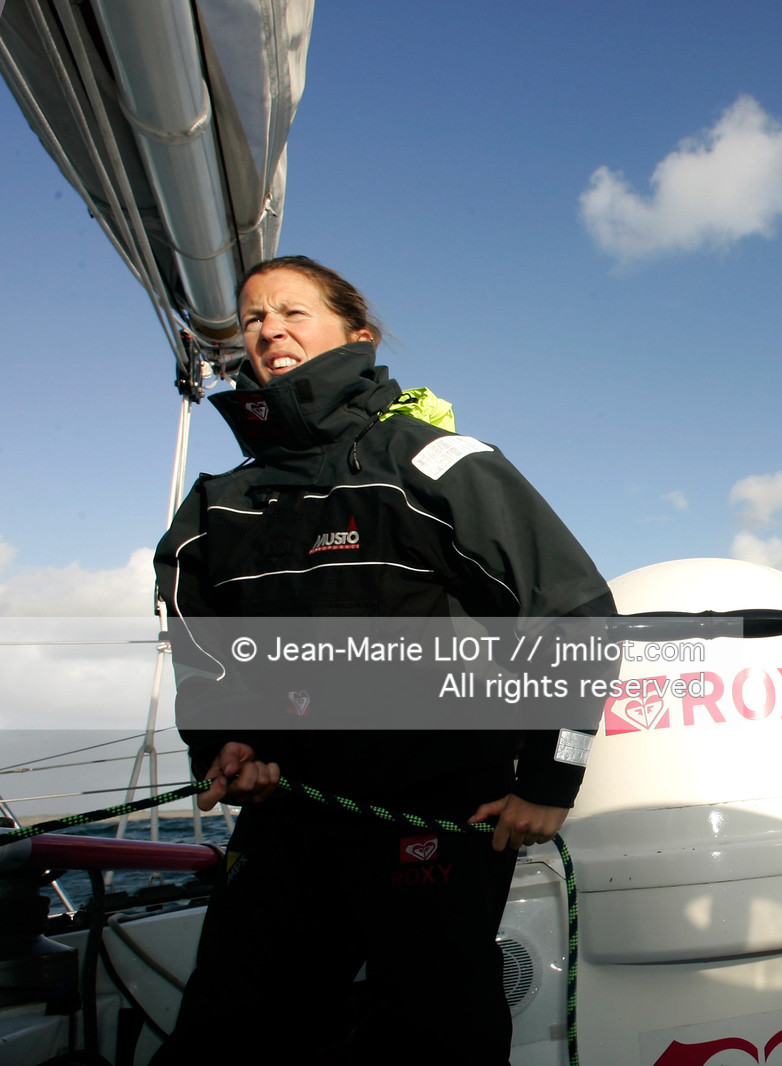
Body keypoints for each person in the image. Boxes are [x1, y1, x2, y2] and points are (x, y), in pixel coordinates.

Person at [150, 256, 614, 1065]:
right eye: (254, 318)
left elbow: (573, 609)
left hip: (430, 814)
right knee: (228, 1034)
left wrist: (550, 779)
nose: (270, 330)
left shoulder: (431, 464)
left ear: (356, 336)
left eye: (293, 311)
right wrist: (223, 746)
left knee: (437, 1033)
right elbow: (205, 656)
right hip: (286, 821)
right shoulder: (215, 508)